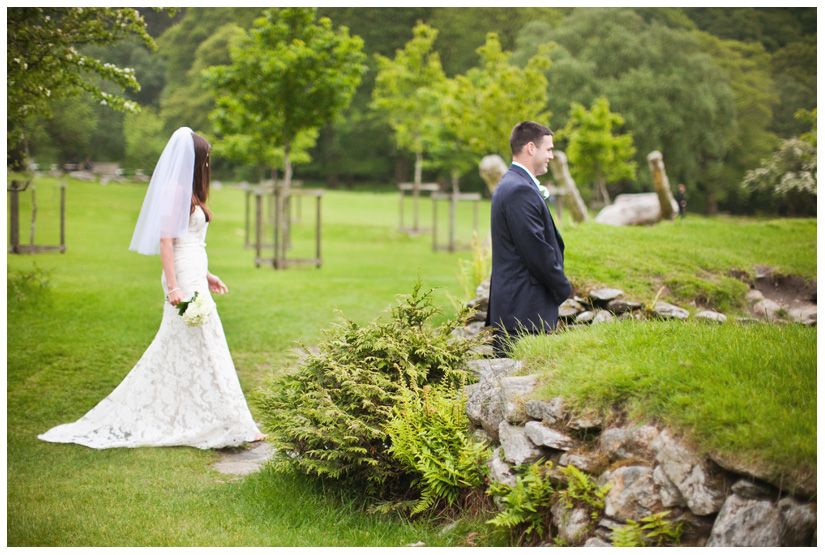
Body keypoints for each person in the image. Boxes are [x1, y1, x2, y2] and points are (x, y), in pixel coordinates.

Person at [39, 127, 265, 449]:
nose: (208, 163)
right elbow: (167, 241)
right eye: (206, 158)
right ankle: (233, 424)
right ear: (197, 159)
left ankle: (223, 420)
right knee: (205, 343)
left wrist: (208, 275)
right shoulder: (176, 191)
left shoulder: (189, 193)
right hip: (182, 278)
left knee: (197, 346)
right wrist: (174, 287)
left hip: (194, 272)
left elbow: (190, 241)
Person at [485, 121, 572, 356]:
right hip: (522, 313)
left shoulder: (514, 184)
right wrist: (563, 287)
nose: (551, 156)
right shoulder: (518, 190)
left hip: (519, 309)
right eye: (549, 149)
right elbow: (535, 250)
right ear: (531, 148)